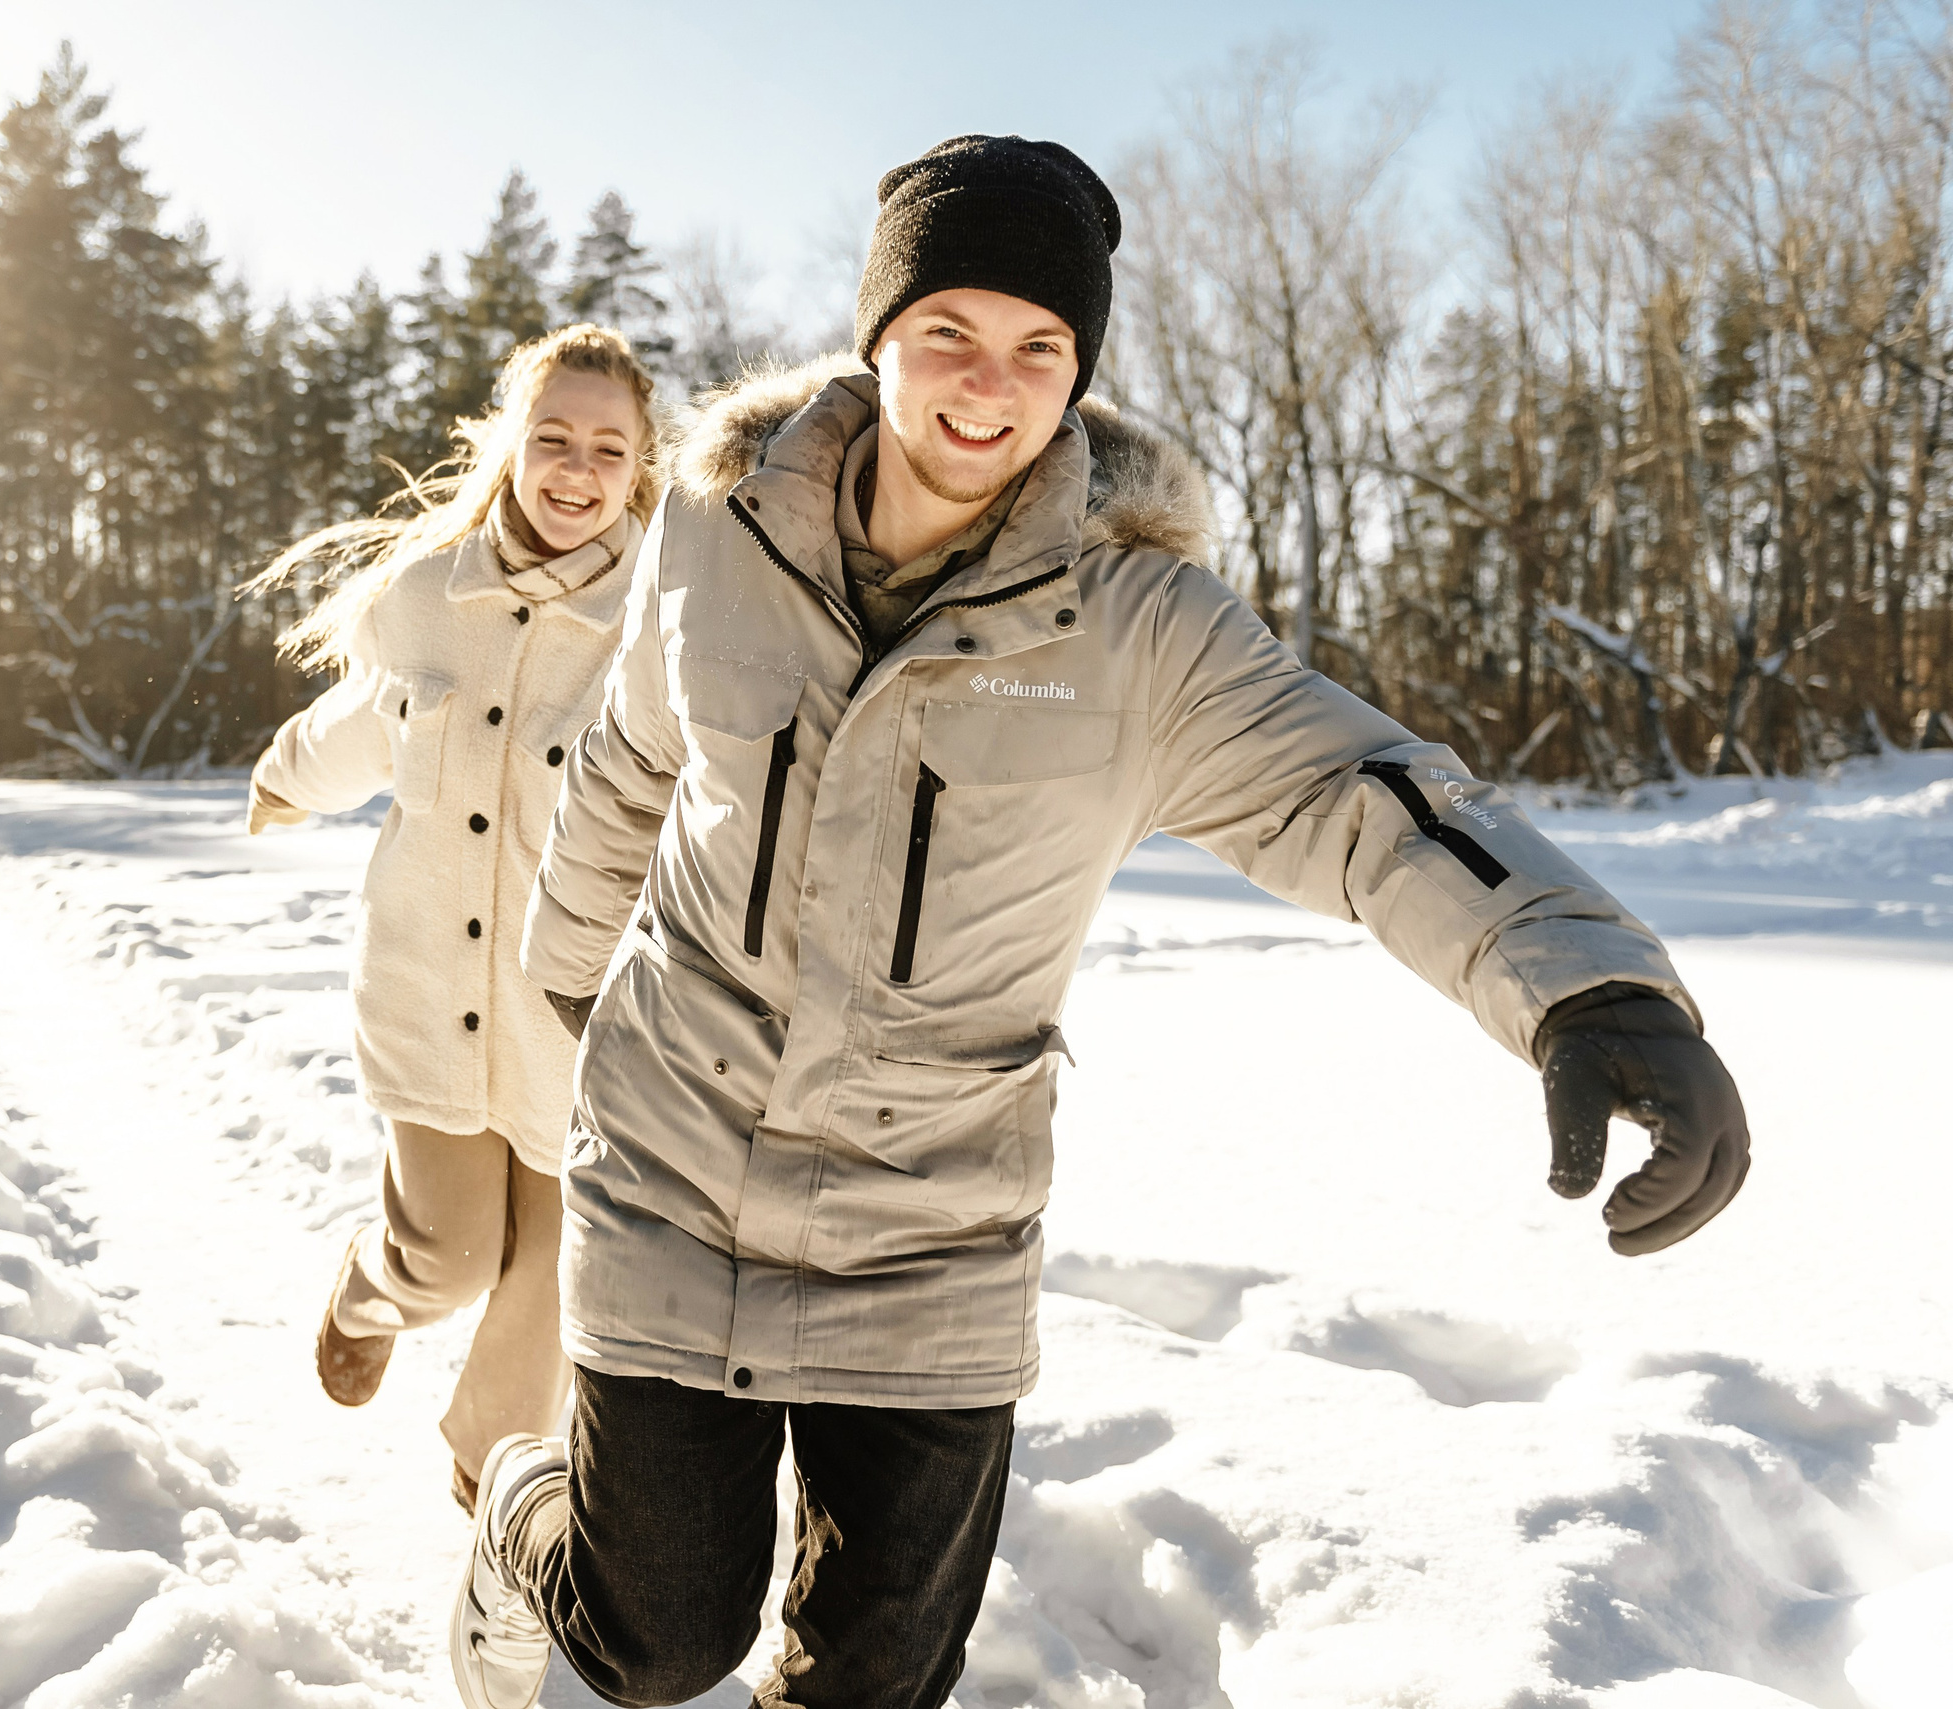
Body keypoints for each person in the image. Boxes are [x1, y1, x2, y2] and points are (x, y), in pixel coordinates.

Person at [447, 137, 1752, 1709]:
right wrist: (567, 991)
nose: (986, 386)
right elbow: (628, 769)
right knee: (654, 1644)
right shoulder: (714, 533)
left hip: (932, 1228)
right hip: (671, 1166)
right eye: (948, 332)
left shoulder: (1139, 633)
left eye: (1038, 347)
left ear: (1078, 374)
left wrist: (1593, 990)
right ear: (879, 337)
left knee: (868, 1687)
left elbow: (1365, 798)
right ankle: (523, 1510)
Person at [244, 324, 659, 1515]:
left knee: (560, 1260)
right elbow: (365, 723)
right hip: (427, 992)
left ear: (640, 468)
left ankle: (495, 1465)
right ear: (511, 448)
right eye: (554, 439)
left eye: (608, 449)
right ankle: (369, 1288)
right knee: (450, 1252)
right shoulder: (427, 599)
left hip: (573, 1017)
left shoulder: (659, 632)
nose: (577, 469)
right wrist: (284, 776)